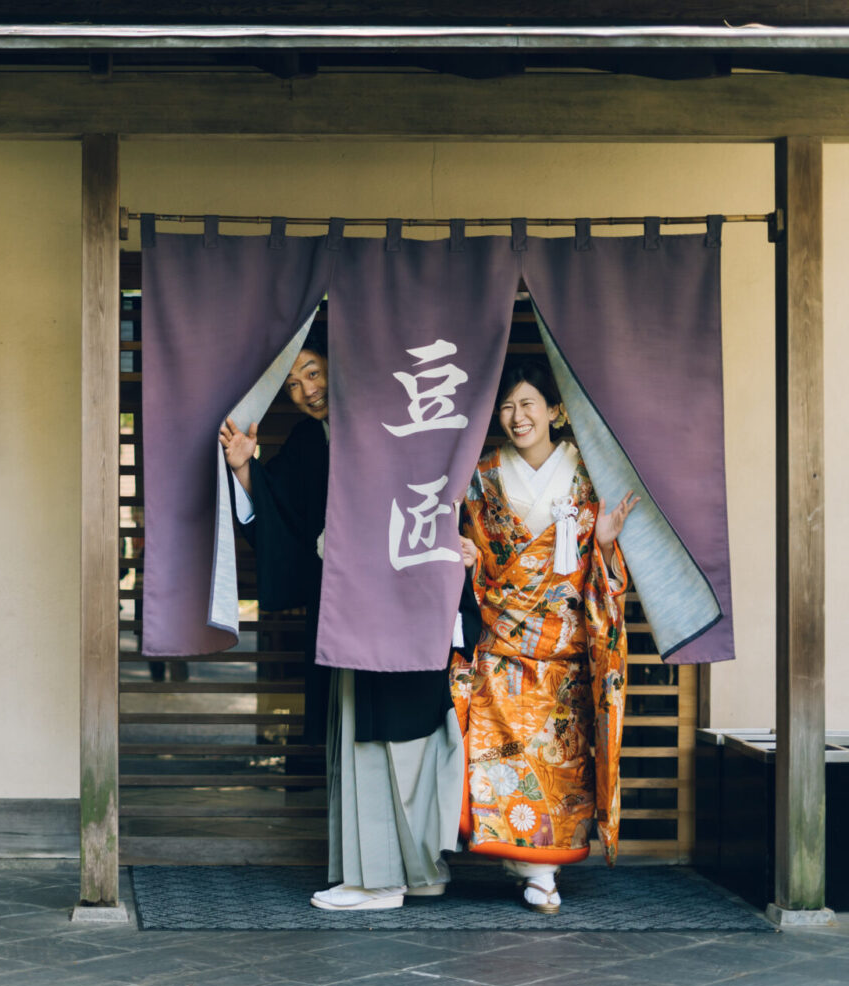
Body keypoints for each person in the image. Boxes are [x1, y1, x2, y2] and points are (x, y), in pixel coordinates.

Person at [220, 332, 473, 911]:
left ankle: (392, 877)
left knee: (412, 739)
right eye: (293, 384)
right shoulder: (312, 440)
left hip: (411, 600)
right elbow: (283, 515)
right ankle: (396, 874)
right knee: (366, 734)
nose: (307, 390)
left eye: (312, 372)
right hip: (353, 612)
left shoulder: (402, 421)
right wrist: (246, 470)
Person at [456, 357, 638, 915]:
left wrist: (605, 543)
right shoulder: (481, 475)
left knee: (554, 764)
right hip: (500, 643)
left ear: (556, 411)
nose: (517, 416)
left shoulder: (588, 478)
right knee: (494, 757)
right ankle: (521, 862)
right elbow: (475, 553)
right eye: (507, 407)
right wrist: (465, 561)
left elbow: (600, 578)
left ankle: (541, 871)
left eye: (528, 404)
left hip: (561, 651)